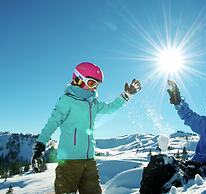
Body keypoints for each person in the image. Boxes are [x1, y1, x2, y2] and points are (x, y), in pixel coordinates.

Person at [31, 62, 141, 194]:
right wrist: (40, 145)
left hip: (89, 161)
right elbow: (52, 123)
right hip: (69, 161)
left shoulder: (93, 103)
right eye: (91, 83)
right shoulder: (67, 101)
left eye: (96, 85)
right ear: (78, 79)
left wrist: (126, 95)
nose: (93, 88)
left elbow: (110, 108)